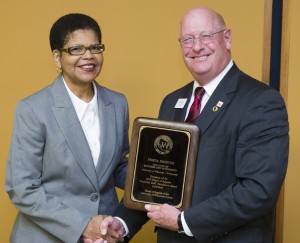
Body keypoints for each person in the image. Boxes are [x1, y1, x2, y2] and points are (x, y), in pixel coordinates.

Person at [96, 6, 289, 243]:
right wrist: (122, 224)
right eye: (187, 39)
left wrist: (184, 221)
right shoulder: (171, 103)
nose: (196, 46)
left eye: (206, 36)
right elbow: (157, 182)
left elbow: (258, 190)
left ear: (227, 38)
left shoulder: (260, 101)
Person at [5, 13, 128, 243]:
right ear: (57, 58)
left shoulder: (118, 103)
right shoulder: (33, 109)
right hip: (46, 237)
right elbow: (22, 188)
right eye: (76, 49)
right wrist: (82, 225)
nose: (88, 56)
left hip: (105, 234)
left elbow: (119, 166)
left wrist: (157, 183)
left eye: (95, 47)